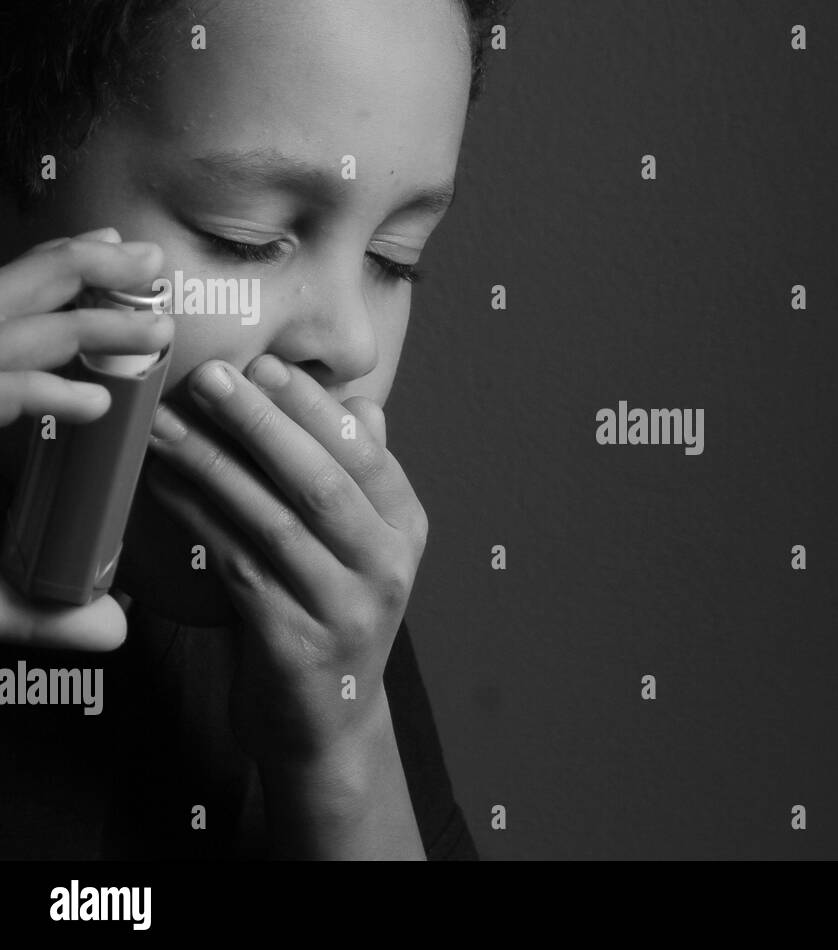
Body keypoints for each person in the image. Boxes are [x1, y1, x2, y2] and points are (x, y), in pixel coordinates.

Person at [0, 0, 511, 859]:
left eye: (396, 257)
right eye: (245, 238)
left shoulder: (299, 609)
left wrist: (343, 755)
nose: (351, 343)